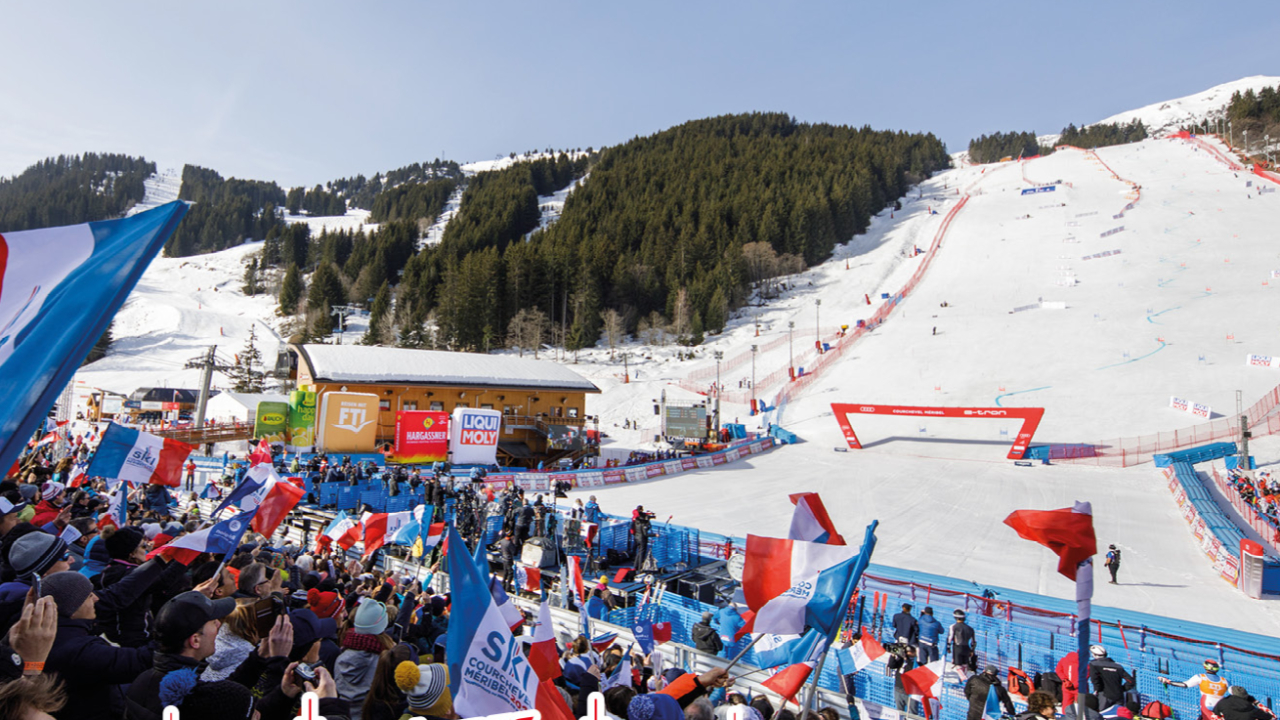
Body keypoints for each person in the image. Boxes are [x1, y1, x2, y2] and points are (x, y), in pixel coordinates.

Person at [1160, 659, 1231, 720]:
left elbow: (1185, 684)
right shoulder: (1224, 680)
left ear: (1205, 667)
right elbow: (1234, 692)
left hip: (1207, 706)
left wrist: (1169, 682)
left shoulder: (1201, 677)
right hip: (1221, 708)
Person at [1087, 645, 1135, 711]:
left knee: (1102, 715)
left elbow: (1095, 680)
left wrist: (1097, 690)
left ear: (1094, 655)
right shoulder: (1118, 666)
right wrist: (1121, 689)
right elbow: (1131, 681)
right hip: (1118, 696)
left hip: (1104, 695)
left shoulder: (1094, 664)